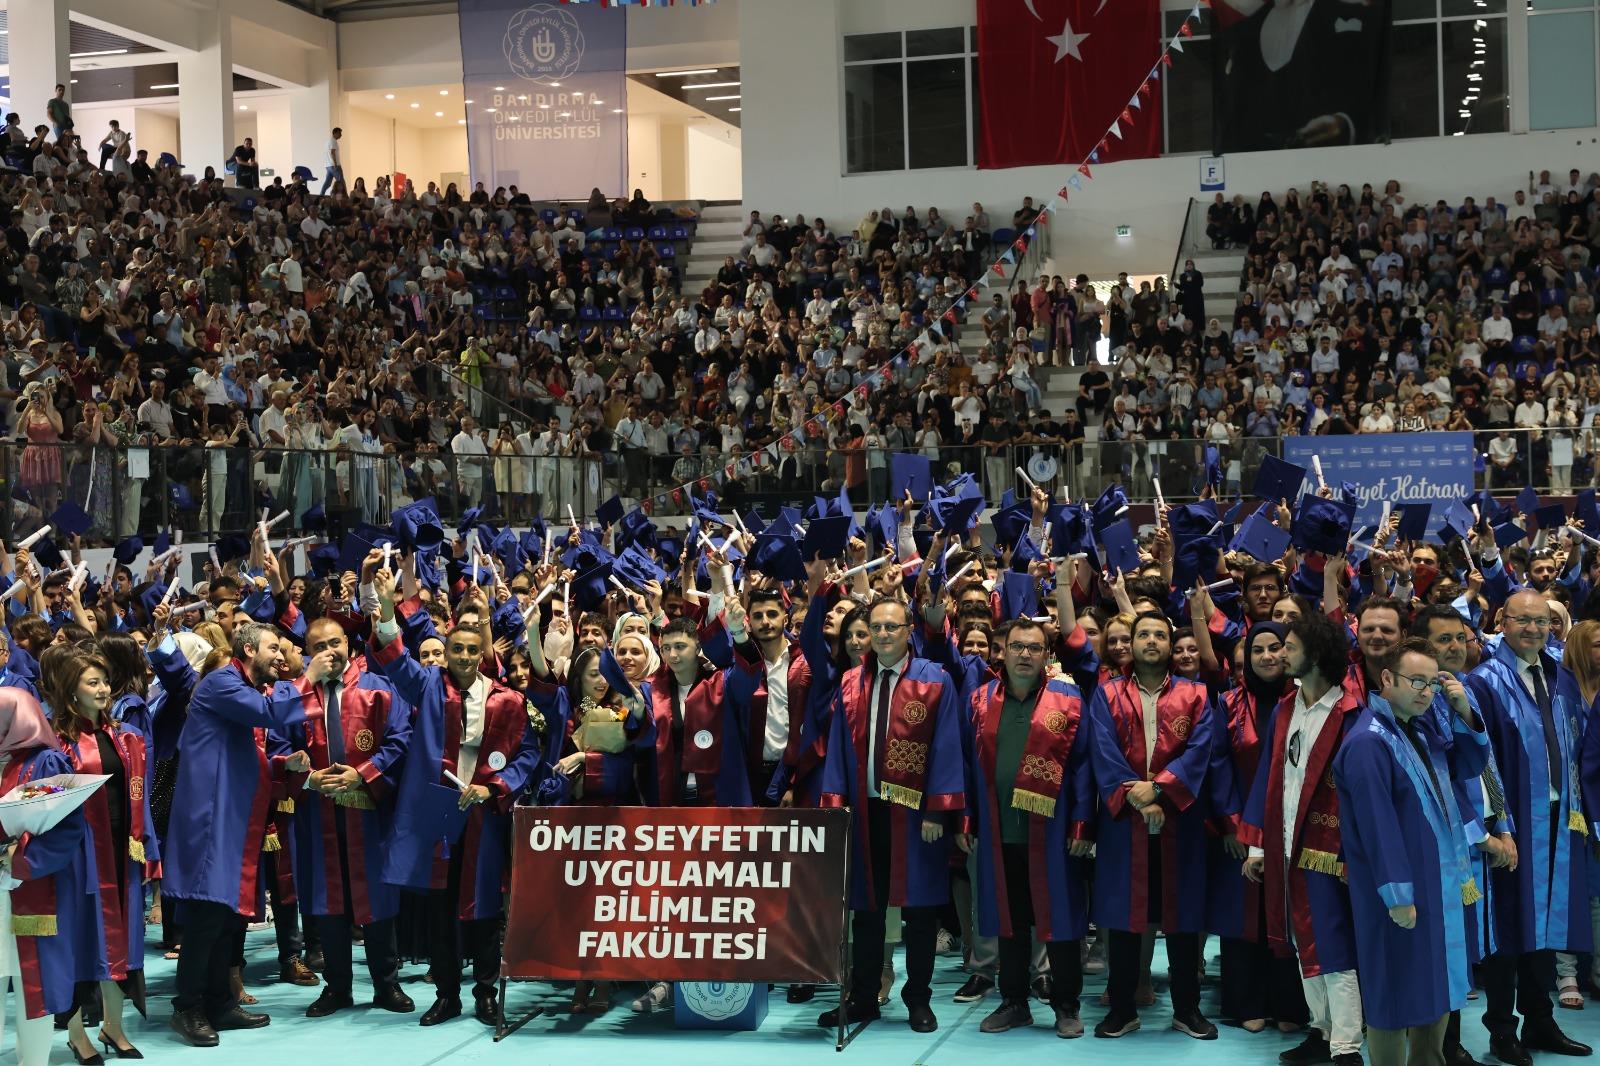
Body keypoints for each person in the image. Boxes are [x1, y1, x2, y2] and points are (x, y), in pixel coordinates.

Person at [368, 557, 545, 1028]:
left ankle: (485, 994)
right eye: (457, 650)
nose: (464, 657)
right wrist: (385, 608)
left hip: (483, 813)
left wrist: (494, 787)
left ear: (483, 650)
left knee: (483, 907)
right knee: (441, 908)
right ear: (446, 652)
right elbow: (395, 657)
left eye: (472, 649)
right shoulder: (429, 685)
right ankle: (447, 994)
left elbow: (527, 754)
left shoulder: (507, 700)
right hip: (438, 813)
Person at [1336, 637, 1488, 1066]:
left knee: (1436, 984)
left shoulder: (1419, 729)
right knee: (1394, 990)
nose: (1426, 692)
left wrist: (1463, 712)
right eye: (1416, 681)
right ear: (1387, 678)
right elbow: (1377, 827)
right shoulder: (1368, 742)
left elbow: (1468, 766)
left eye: (1432, 683)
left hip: (1436, 881)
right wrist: (1398, 896)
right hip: (1397, 890)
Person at [816, 596, 966, 1034]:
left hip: (915, 813)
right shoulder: (850, 682)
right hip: (865, 812)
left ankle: (918, 999)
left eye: (891, 627)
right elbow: (838, 750)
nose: (882, 634)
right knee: (866, 909)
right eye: (876, 627)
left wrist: (938, 810)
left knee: (919, 909)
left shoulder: (934, 680)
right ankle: (863, 997)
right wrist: (836, 808)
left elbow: (947, 746)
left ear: (908, 630)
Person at [163, 620, 312, 1047]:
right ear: (248, 650)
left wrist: (282, 765)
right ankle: (187, 1007)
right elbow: (272, 713)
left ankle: (219, 1003)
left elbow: (242, 756)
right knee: (208, 917)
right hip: (210, 818)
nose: (280, 657)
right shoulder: (221, 683)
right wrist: (310, 676)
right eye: (273, 648)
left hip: (232, 817)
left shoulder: (242, 689)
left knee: (228, 918)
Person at [1465, 590, 1593, 1064]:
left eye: (1542, 622)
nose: (1534, 630)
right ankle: (1502, 1029)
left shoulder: (1560, 677)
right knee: (1508, 927)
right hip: (1512, 824)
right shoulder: (1484, 682)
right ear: (1502, 621)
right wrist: (1498, 824)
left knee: (1544, 925)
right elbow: (1480, 762)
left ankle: (1540, 1020)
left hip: (1559, 818)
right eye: (1523, 621)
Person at [958, 618, 1094, 1038]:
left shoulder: (1067, 700)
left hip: (1052, 833)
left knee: (1060, 922)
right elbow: (966, 763)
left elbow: (1083, 766)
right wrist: (967, 818)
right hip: (998, 831)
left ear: (1046, 655)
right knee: (1010, 921)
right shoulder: (981, 700)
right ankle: (1014, 1002)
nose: (1024, 655)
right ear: (1002, 651)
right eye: (1017, 646)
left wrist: (1081, 825)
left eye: (1034, 648)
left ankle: (1066, 1005)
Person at [1242, 611, 1366, 1066]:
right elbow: (1270, 779)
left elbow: (1362, 797)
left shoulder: (1352, 714)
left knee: (1333, 946)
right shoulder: (1285, 708)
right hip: (1286, 844)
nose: (1280, 655)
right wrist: (1259, 845)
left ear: (1314, 655)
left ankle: (1347, 1046)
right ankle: (1322, 1029)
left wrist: (1353, 855)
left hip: (1329, 850)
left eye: (1289, 647)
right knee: (1300, 942)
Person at [1087, 611, 1217, 1040]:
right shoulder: (1107, 693)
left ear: (1169, 645)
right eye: (1143, 634)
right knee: (1125, 917)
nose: (1151, 641)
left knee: (1182, 918)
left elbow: (1200, 750)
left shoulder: (1195, 694)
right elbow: (1102, 750)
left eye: (1160, 634)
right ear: (1131, 642)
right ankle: (1122, 1009)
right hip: (1125, 822)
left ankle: (1187, 1009)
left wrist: (1159, 789)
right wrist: (1138, 798)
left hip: (1180, 821)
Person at [280, 617, 414, 1018]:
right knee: (328, 900)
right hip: (316, 813)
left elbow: (400, 740)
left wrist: (363, 773)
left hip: (369, 811)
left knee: (377, 897)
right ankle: (337, 987)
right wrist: (307, 778)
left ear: (348, 645)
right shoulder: (295, 697)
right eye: (318, 646)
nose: (328, 652)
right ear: (308, 652)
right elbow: (277, 746)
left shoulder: (378, 689)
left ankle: (386, 985)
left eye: (334, 643)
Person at [48, 648, 158, 1062]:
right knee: (81, 941)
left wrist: (147, 848)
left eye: (105, 681)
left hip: (121, 849)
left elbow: (141, 797)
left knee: (123, 941)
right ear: (71, 690)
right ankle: (77, 1034)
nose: (103, 689)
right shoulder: (57, 743)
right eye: (92, 682)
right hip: (80, 857)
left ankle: (114, 1027)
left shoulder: (126, 736)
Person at [0, 687, 87, 1066]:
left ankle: (33, 1062)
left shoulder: (47, 762)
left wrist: (18, 861)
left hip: (29, 888)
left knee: (31, 985)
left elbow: (66, 827)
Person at [320, 127, 343, 195]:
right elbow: (332, 152)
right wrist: (335, 164)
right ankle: (344, 196)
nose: (341, 135)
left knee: (328, 183)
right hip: (334, 165)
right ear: (335, 133)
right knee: (340, 181)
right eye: (339, 133)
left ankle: (321, 195)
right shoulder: (333, 141)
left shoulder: (328, 141)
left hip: (328, 166)